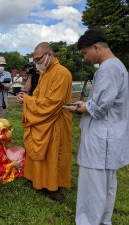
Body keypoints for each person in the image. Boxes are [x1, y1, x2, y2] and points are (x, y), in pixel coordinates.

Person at [64, 29, 129, 225]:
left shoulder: (108, 68)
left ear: (96, 47)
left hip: (102, 137)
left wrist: (79, 108)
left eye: (85, 53)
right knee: (106, 185)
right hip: (110, 135)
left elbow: (99, 108)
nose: (85, 58)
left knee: (94, 186)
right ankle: (102, 220)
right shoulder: (118, 67)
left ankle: (89, 221)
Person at [17, 42, 72, 201]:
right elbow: (38, 96)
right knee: (38, 152)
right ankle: (36, 178)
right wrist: (26, 99)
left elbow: (54, 103)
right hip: (41, 118)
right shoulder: (44, 73)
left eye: (38, 59)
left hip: (55, 120)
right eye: (34, 60)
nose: (36, 63)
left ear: (49, 55)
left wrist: (29, 101)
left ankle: (53, 188)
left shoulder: (63, 73)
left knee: (53, 155)